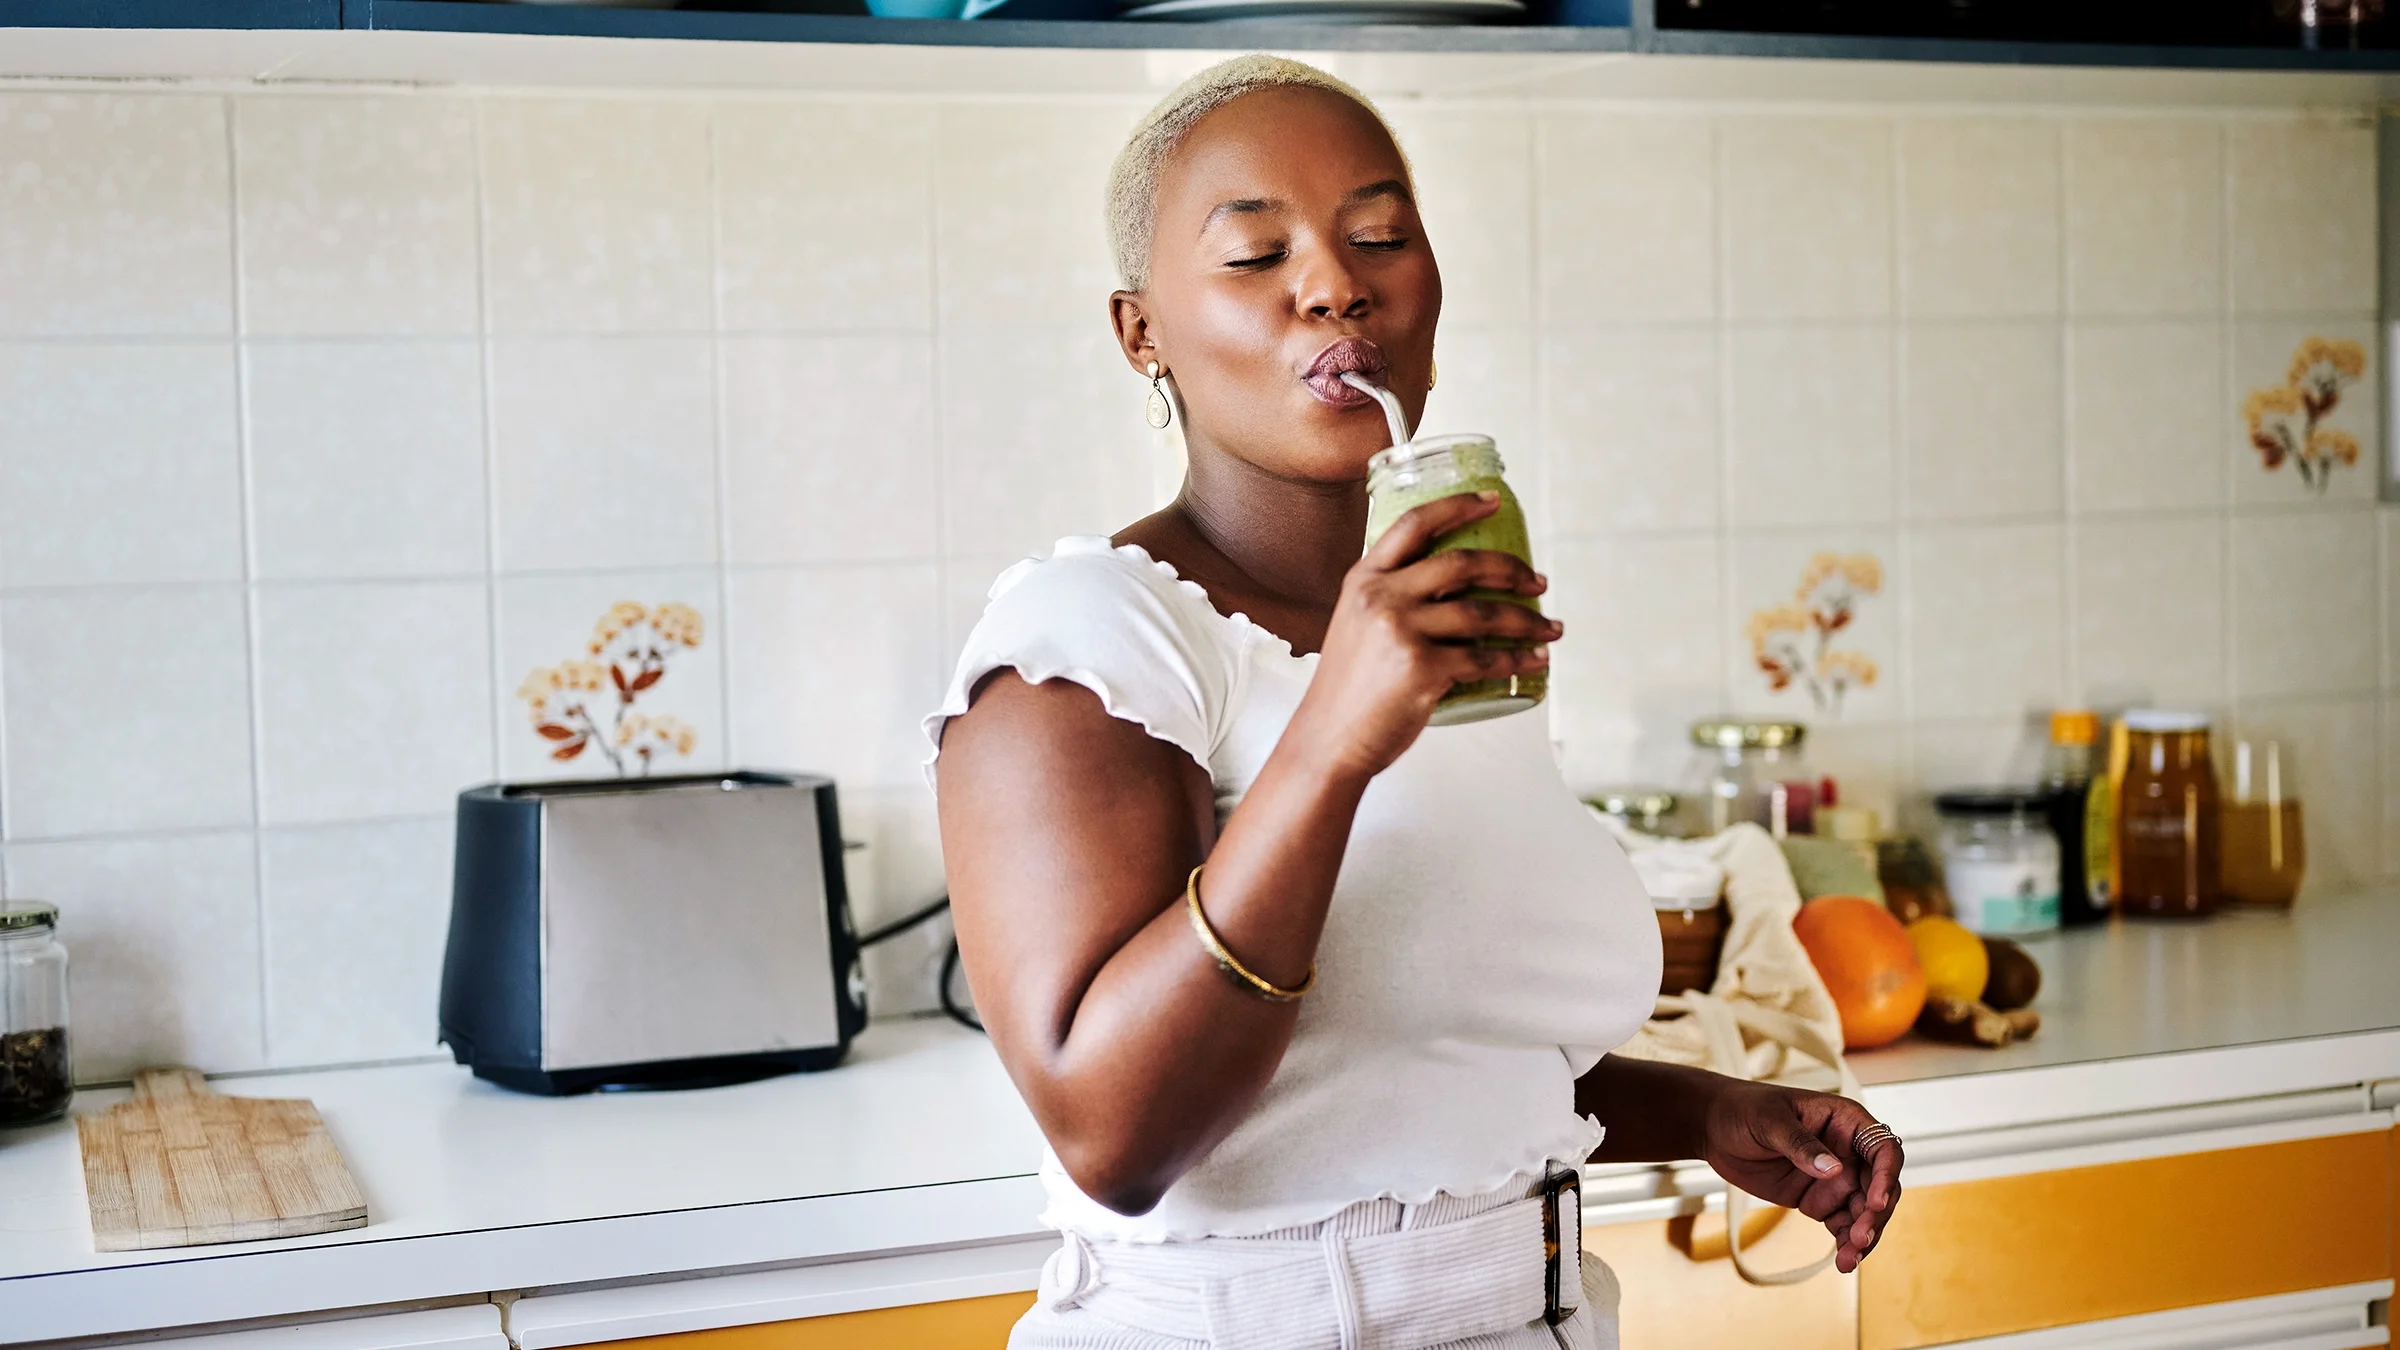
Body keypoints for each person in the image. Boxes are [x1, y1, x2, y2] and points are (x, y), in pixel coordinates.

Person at [924, 54, 1905, 1350]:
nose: (1334, 283)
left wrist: (1714, 1111)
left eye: (1378, 234)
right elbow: (1118, 1133)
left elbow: (1416, 1061)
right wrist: (1336, 734)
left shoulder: (1432, 632)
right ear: (1140, 330)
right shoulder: (1093, 637)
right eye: (1253, 255)